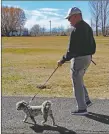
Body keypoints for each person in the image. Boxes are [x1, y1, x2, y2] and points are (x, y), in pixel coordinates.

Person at [57, 7, 96, 115]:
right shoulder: (87, 27)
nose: (69, 20)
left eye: (70, 18)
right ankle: (86, 100)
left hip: (79, 59)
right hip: (88, 58)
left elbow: (71, 51)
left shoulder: (76, 30)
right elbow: (93, 45)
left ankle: (82, 108)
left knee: (76, 82)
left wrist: (62, 60)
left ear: (76, 16)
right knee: (79, 80)